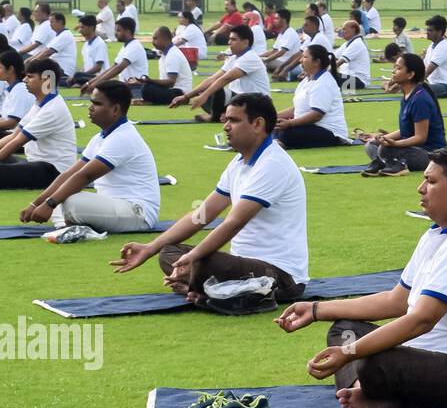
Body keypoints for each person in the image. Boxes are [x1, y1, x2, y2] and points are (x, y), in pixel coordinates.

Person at [274, 145, 447, 408]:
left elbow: (421, 320)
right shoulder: (437, 235)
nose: (420, 188)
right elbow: (396, 301)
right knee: (344, 329)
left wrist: (351, 353)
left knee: (370, 359)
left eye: (431, 181)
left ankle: (375, 392)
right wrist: (315, 310)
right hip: (430, 356)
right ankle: (362, 391)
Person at [112, 93, 307, 305]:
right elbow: (202, 214)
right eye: (226, 120)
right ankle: (214, 289)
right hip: (245, 266)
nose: (225, 126)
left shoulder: (272, 164)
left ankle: (210, 289)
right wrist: (151, 247)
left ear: (257, 124)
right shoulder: (238, 163)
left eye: (233, 120)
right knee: (170, 252)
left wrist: (195, 256)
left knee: (203, 261)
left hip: (280, 275)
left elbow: (234, 222)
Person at [17, 80, 161, 234]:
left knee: (70, 201)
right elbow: (68, 174)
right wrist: (36, 204)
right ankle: (70, 223)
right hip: (117, 206)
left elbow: (85, 176)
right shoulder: (100, 137)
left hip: (137, 213)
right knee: (63, 195)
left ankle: (69, 224)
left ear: (115, 109)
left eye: (97, 103)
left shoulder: (123, 137)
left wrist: (49, 204)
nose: (90, 107)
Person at [357, 52, 447, 176]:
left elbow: (420, 137)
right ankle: (389, 162)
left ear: (410, 74)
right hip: (413, 149)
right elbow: (406, 130)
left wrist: (395, 143)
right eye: (394, 67)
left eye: (398, 68)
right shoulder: (408, 95)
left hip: (431, 155)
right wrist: (381, 137)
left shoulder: (420, 99)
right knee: (371, 145)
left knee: (385, 148)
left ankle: (394, 163)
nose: (393, 71)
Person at [0, 61, 77, 189]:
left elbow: (18, 142)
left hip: (53, 171)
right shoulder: (40, 104)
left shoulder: (52, 109)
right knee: (8, 159)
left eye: (30, 76)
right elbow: (14, 135)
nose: (24, 80)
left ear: (46, 79)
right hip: (36, 164)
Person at [172, 24, 270, 122]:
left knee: (215, 90)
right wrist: (186, 96)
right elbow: (213, 78)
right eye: (229, 39)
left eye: (233, 40)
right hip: (241, 99)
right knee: (207, 87)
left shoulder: (250, 58)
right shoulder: (234, 58)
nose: (229, 42)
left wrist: (203, 96)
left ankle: (215, 117)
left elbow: (226, 79)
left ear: (245, 42)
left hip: (257, 103)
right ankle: (226, 115)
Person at [275, 44, 353, 149]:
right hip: (309, 127)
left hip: (328, 131)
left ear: (317, 62)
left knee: (286, 133)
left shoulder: (323, 82)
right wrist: (274, 117)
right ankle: (276, 140)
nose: (301, 60)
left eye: (305, 57)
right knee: (273, 126)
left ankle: (278, 142)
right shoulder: (307, 80)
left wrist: (290, 123)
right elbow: (297, 109)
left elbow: (316, 115)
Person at [84, 17, 149, 96]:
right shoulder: (125, 47)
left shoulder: (135, 46)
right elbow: (113, 67)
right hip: (125, 85)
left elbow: (119, 68)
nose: (115, 33)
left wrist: (95, 84)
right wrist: (90, 83)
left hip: (136, 87)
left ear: (128, 32)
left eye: (118, 30)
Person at [132, 26, 195, 105]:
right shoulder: (165, 54)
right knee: (145, 86)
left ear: (164, 39)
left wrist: (150, 81)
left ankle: (179, 101)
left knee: (147, 88)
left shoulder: (173, 55)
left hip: (179, 93)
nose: (153, 42)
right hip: (171, 90)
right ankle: (152, 100)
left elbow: (171, 82)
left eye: (155, 39)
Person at [421, 15, 447, 98]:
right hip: (436, 85)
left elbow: (428, 72)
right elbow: (422, 67)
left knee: (418, 88)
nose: (427, 32)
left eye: (430, 30)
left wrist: (409, 83)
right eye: (427, 30)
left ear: (440, 32)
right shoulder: (432, 46)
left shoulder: (443, 47)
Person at [0, 50, 34, 134]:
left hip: (17, 137)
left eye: (0, 67)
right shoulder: (15, 88)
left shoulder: (20, 89)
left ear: (11, 69)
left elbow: (11, 123)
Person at [263, 9, 302, 78]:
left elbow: (281, 52)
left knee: (261, 62)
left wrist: (266, 60)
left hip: (287, 63)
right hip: (281, 61)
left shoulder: (290, 33)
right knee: (258, 59)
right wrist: (258, 56)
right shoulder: (281, 33)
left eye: (277, 18)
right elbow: (274, 51)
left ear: (284, 20)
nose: (274, 20)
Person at [72, 14, 108, 87]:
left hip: (98, 77)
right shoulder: (86, 45)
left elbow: (98, 67)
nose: (80, 30)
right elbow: (85, 66)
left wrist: (82, 74)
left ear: (91, 28)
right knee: (69, 77)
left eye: (82, 27)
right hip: (87, 76)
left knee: (77, 75)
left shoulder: (99, 43)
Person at [335, 19, 371, 91]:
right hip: (349, 77)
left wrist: (322, 71)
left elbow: (339, 62)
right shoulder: (347, 44)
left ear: (353, 29)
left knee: (328, 76)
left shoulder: (357, 44)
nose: (342, 31)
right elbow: (333, 57)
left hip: (358, 80)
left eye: (344, 29)